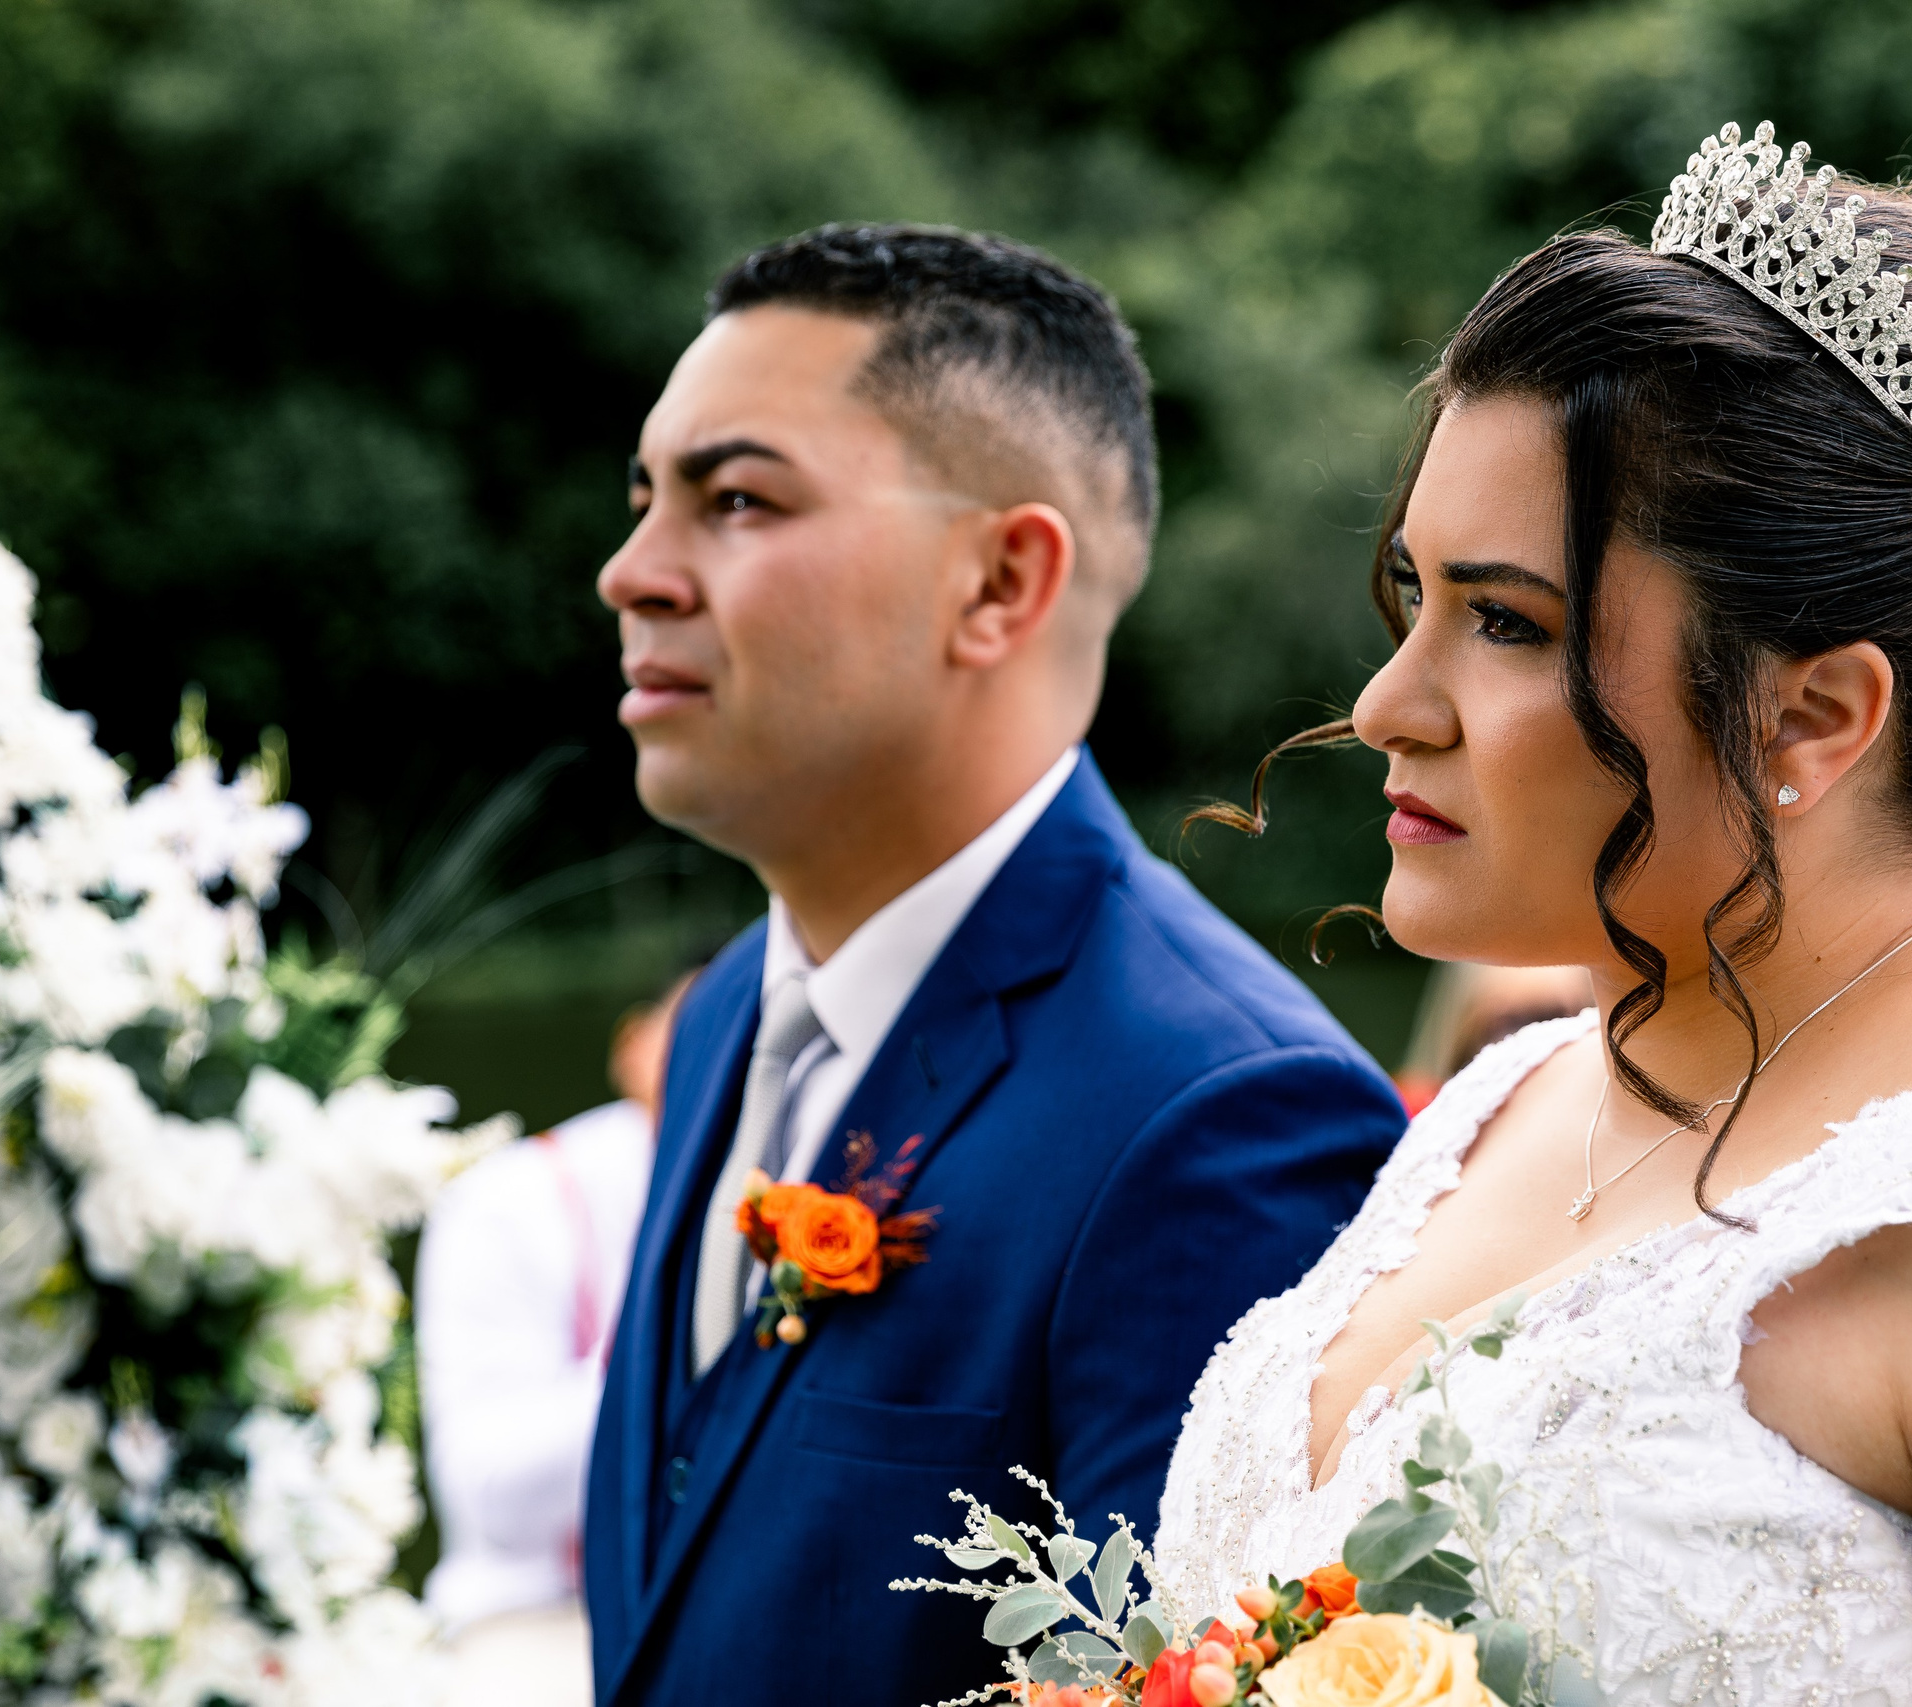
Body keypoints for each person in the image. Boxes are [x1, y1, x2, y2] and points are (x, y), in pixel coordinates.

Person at [1157, 122, 1912, 1702]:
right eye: (1418, 597)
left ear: (1812, 716)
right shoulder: (1514, 1097)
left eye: (1506, 622)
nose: (1390, 702)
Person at [581, 224, 1404, 1705]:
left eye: (737, 498)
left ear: (1002, 581)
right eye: (645, 499)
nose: (631, 571)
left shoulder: (1223, 1115)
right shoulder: (720, 1018)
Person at [416, 975, 689, 1707]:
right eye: (692, 1026)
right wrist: (680, 1353)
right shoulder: (511, 1198)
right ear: (631, 1046)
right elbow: (491, 1495)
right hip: (536, 1612)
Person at [1393, 963, 1591, 1112]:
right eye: (1508, 1023)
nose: (1530, 1036)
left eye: (1551, 1017)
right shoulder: (1412, 1115)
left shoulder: (1595, 1120)